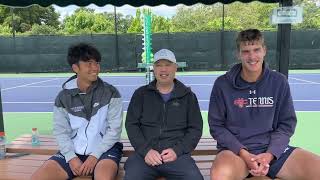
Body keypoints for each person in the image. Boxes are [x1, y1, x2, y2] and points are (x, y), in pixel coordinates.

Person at [208, 29, 320, 180]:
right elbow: (217, 126)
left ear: (264, 50)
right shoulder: (222, 84)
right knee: (220, 175)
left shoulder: (279, 82)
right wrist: (243, 153)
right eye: (246, 51)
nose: (252, 56)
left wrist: (270, 154)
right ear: (238, 54)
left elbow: (286, 124)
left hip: (274, 152)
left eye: (256, 50)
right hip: (236, 153)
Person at [31, 43, 123, 180]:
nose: (95, 68)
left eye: (97, 63)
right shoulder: (63, 97)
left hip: (105, 150)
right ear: (75, 68)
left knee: (103, 177)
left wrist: (94, 156)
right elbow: (61, 131)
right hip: (74, 152)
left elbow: (114, 130)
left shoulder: (111, 92)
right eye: (89, 63)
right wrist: (71, 157)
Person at [124, 49, 203, 180]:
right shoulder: (140, 94)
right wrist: (146, 151)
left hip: (177, 157)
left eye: (168, 65)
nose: (163, 70)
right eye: (159, 65)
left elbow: (195, 129)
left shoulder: (188, 96)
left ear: (175, 67)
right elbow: (132, 125)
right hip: (145, 157)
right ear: (154, 68)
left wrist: (177, 151)